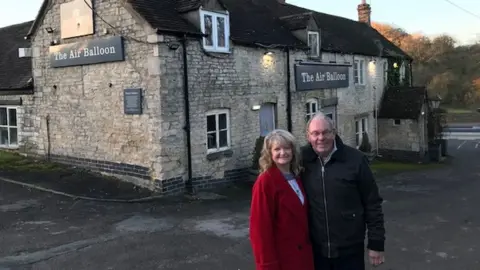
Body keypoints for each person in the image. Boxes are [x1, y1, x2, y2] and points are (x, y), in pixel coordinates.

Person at [301, 112, 385, 270]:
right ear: (308, 136)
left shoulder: (355, 160)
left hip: (350, 250)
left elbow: (372, 203)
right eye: (315, 133)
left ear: (334, 132)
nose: (321, 138)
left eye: (326, 132)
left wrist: (376, 243)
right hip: (316, 250)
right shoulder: (302, 160)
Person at [249, 129, 314, 270]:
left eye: (286, 148)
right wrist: (267, 265)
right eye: (277, 149)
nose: (282, 153)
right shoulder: (265, 182)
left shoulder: (297, 176)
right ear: (269, 153)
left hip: (303, 257)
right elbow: (259, 230)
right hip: (282, 259)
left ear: (293, 151)